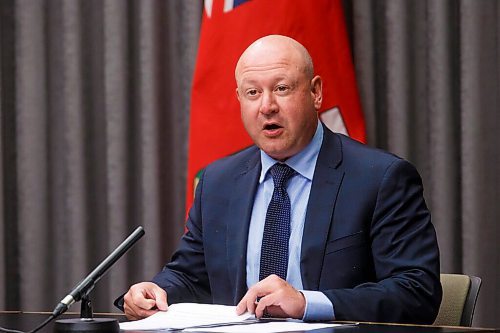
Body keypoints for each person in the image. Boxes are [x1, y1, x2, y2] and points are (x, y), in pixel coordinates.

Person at [116, 35, 442, 324]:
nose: (267, 106)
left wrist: (306, 304)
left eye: (282, 89)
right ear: (239, 100)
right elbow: (191, 276)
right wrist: (157, 290)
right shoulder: (218, 182)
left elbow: (416, 292)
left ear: (315, 92)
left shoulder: (380, 178)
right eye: (253, 92)